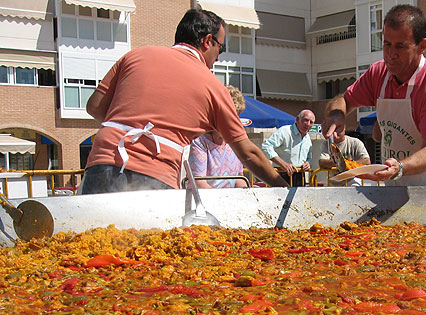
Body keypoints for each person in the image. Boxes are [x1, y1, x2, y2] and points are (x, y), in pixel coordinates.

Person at [82, 8, 287, 194]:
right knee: (145, 236)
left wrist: (125, 128)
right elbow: (249, 154)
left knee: (91, 232)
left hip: (100, 163)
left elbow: (94, 107)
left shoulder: (135, 55)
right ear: (208, 41)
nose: (218, 59)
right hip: (154, 174)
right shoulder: (213, 87)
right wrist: (285, 190)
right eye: (220, 49)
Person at [321, 5, 426, 186]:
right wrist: (336, 115)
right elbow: (344, 100)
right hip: (392, 187)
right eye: (387, 44)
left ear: (422, 46)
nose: (391, 54)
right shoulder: (378, 73)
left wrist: (399, 168)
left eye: (401, 46)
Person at [189, 85, 248, 188]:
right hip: (207, 200)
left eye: (235, 117)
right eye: (229, 117)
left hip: (229, 200)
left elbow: (239, 177)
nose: (232, 122)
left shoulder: (235, 142)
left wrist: (247, 193)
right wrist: (221, 202)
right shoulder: (199, 142)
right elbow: (199, 182)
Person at [261, 109, 315, 187]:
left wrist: (308, 163)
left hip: (299, 177)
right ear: (297, 119)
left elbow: (309, 158)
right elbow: (266, 146)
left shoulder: (307, 138)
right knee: (279, 199)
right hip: (280, 175)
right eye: (305, 120)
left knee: (298, 199)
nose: (308, 124)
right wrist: (283, 164)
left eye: (311, 122)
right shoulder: (285, 131)